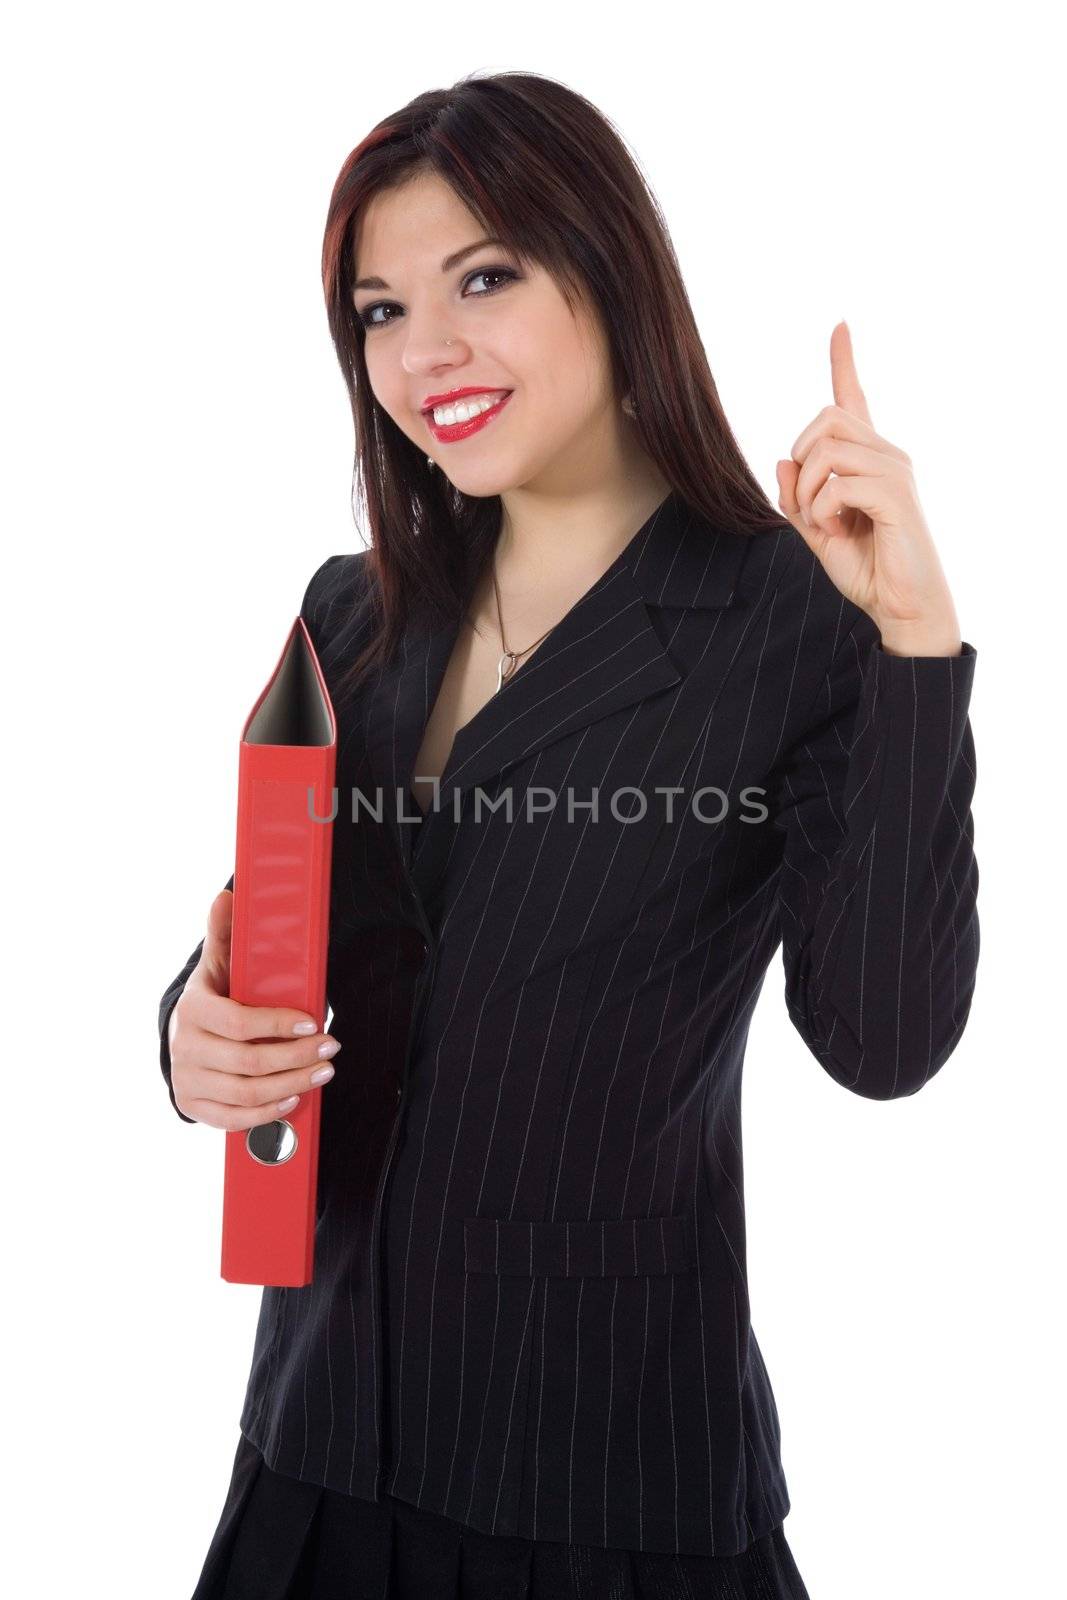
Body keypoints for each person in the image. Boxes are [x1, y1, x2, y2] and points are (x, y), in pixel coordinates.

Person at [158, 69, 979, 1600]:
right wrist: (190, 1034)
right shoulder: (354, 613)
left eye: (483, 278)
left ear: (608, 268)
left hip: (607, 1484)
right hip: (318, 1447)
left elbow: (884, 1039)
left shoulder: (790, 614)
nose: (425, 352)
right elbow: (266, 945)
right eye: (379, 311)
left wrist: (916, 653)